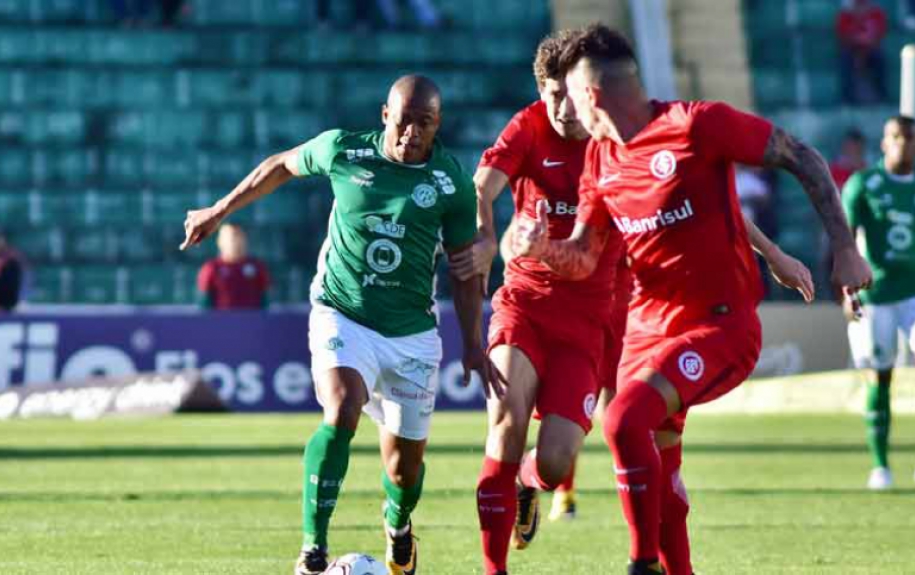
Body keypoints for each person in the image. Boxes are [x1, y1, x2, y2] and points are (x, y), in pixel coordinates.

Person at [449, 29, 816, 575]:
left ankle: (535, 482)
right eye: (551, 95)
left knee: (558, 462)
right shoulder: (531, 128)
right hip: (527, 302)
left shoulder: (630, 141)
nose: (561, 109)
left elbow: (708, 201)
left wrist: (772, 254)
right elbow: (483, 186)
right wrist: (489, 239)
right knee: (510, 422)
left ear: (590, 91)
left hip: (602, 315)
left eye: (569, 96)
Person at [180, 74, 499, 575]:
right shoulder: (343, 151)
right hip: (342, 311)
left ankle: (398, 523)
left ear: (438, 126)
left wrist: (474, 343)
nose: (412, 132)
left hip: (411, 333)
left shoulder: (451, 183)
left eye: (425, 123)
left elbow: (464, 271)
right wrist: (219, 212)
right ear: (384, 114)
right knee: (342, 408)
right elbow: (280, 165)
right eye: (404, 120)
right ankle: (313, 549)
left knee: (404, 468)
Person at [842, 116, 915, 490]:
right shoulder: (863, 185)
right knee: (880, 375)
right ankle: (880, 466)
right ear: (883, 143)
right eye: (895, 137)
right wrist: (848, 290)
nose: (902, 144)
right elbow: (843, 239)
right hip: (875, 294)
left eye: (909, 138)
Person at [196, 223, 272, 310]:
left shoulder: (258, 267)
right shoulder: (211, 268)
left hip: (251, 321)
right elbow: (204, 304)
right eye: (231, 237)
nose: (235, 241)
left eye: (239, 236)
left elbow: (265, 301)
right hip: (222, 322)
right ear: (220, 241)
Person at [836, 0, 888, 104]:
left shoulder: (876, 13)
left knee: (879, 58)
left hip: (870, 49)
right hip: (852, 49)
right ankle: (847, 98)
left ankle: (882, 96)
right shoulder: (845, 15)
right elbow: (843, 36)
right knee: (845, 59)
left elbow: (879, 34)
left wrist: (866, 45)